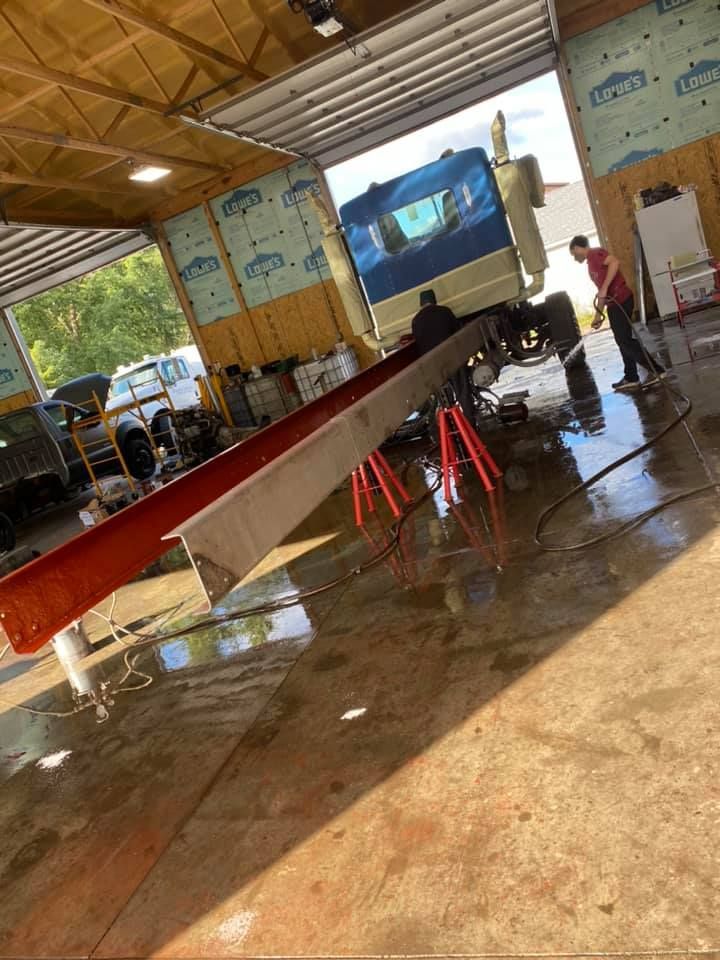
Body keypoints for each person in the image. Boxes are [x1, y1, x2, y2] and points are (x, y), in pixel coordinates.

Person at [569, 234, 665, 392]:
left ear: (578, 247)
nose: (575, 257)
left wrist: (606, 286)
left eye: (574, 253)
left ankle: (657, 370)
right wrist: (598, 315)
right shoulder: (591, 262)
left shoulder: (595, 254)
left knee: (624, 340)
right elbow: (601, 293)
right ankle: (631, 377)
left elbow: (614, 262)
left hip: (621, 300)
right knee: (622, 340)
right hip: (614, 304)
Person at [411, 290, 474, 421]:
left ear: (421, 304)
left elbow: (419, 344)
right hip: (453, 359)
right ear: (434, 300)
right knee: (462, 392)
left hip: (433, 365)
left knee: (445, 397)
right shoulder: (444, 311)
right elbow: (457, 333)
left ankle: (453, 424)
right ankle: (470, 423)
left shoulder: (416, 320)